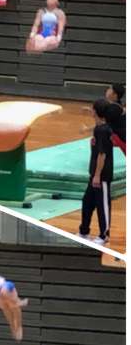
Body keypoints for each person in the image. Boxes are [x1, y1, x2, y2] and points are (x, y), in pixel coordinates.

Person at [78, 99, 113, 245]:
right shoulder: (99, 127)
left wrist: (98, 175)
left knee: (102, 205)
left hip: (102, 175)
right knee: (87, 202)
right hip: (94, 174)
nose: (91, 111)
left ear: (96, 112)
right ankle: (84, 231)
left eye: (92, 109)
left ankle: (104, 235)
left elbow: (102, 154)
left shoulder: (103, 131)